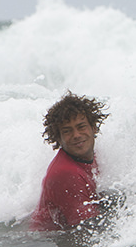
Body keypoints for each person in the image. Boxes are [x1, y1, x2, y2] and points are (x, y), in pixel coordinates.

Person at [30, 92, 110, 232]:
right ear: (59, 138)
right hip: (43, 243)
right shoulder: (66, 174)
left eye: (81, 127)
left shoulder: (93, 155)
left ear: (94, 127)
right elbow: (87, 230)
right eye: (67, 131)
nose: (76, 135)